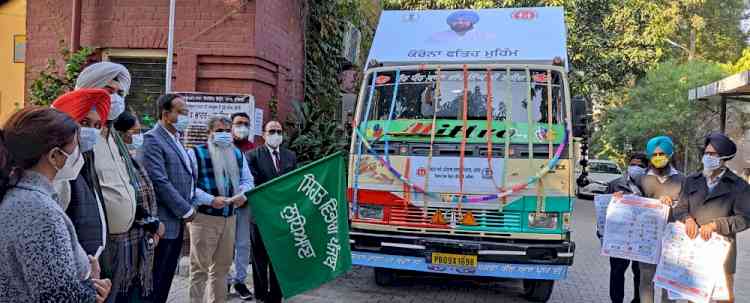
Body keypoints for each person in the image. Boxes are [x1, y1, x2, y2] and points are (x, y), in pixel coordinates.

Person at [0, 106, 111, 302]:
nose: (79, 156)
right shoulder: (38, 211)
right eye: (75, 149)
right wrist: (91, 290)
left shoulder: (18, 193)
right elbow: (57, 296)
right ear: (54, 156)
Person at [672, 132, 750, 303]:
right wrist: (687, 219)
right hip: (694, 250)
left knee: (724, 298)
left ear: (724, 157)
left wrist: (716, 225)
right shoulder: (691, 180)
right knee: (695, 297)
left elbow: (745, 219)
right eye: (706, 153)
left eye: (712, 154)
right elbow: (679, 209)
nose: (707, 157)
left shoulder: (739, 185)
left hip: (722, 252)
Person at [187, 116, 254, 303]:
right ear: (209, 133)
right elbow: (189, 186)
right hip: (204, 219)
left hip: (230, 218)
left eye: (227, 130)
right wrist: (210, 199)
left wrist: (243, 194)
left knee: (222, 269)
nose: (224, 134)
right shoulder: (195, 154)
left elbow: (247, 180)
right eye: (219, 131)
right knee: (199, 269)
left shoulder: (237, 154)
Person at [142, 93, 197, 303]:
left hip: (176, 223)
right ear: (166, 115)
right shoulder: (153, 139)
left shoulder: (176, 139)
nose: (186, 116)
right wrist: (186, 209)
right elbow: (159, 181)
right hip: (163, 224)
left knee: (165, 281)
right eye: (182, 112)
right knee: (155, 282)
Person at [106, 110, 165, 302]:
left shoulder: (129, 158)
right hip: (124, 242)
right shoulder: (112, 161)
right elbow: (124, 200)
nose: (140, 136)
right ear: (121, 133)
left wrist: (152, 226)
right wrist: (152, 223)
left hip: (141, 238)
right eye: (135, 131)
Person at [50, 89, 111, 256]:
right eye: (84, 123)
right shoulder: (57, 171)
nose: (92, 131)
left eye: (97, 126)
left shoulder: (82, 161)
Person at [247, 121, 297, 303]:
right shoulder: (252, 156)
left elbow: (294, 183)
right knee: (259, 257)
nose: (276, 134)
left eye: (278, 131)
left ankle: (276, 295)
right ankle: (261, 295)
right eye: (272, 131)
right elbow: (252, 184)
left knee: (280, 256)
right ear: (263, 134)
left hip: (283, 216)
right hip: (260, 216)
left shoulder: (290, 156)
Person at [637, 136, 683, 303]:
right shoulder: (640, 178)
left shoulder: (682, 179)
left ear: (670, 154)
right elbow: (633, 204)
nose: (658, 157)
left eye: (661, 153)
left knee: (669, 282)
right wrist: (620, 197)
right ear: (649, 156)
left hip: (672, 240)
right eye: (654, 154)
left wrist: (674, 205)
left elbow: (688, 207)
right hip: (647, 238)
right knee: (646, 281)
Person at [604, 152, 648, 303]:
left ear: (646, 168)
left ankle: (637, 300)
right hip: (620, 238)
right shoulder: (614, 184)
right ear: (628, 166)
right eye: (633, 164)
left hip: (642, 238)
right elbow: (603, 211)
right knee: (617, 271)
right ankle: (616, 300)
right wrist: (612, 201)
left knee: (640, 273)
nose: (636, 168)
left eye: (640, 166)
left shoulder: (651, 186)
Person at [228, 112, 256, 300]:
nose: (242, 127)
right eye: (238, 123)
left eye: (245, 124)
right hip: (223, 205)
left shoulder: (254, 149)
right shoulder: (223, 147)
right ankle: (223, 281)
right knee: (223, 246)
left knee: (243, 245)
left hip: (245, 205)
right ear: (231, 126)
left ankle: (239, 281)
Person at [427, 10, 495, 43]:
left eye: (464, 20)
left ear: (472, 22)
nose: (460, 23)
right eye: (456, 20)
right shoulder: (437, 37)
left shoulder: (486, 36)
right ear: (450, 23)